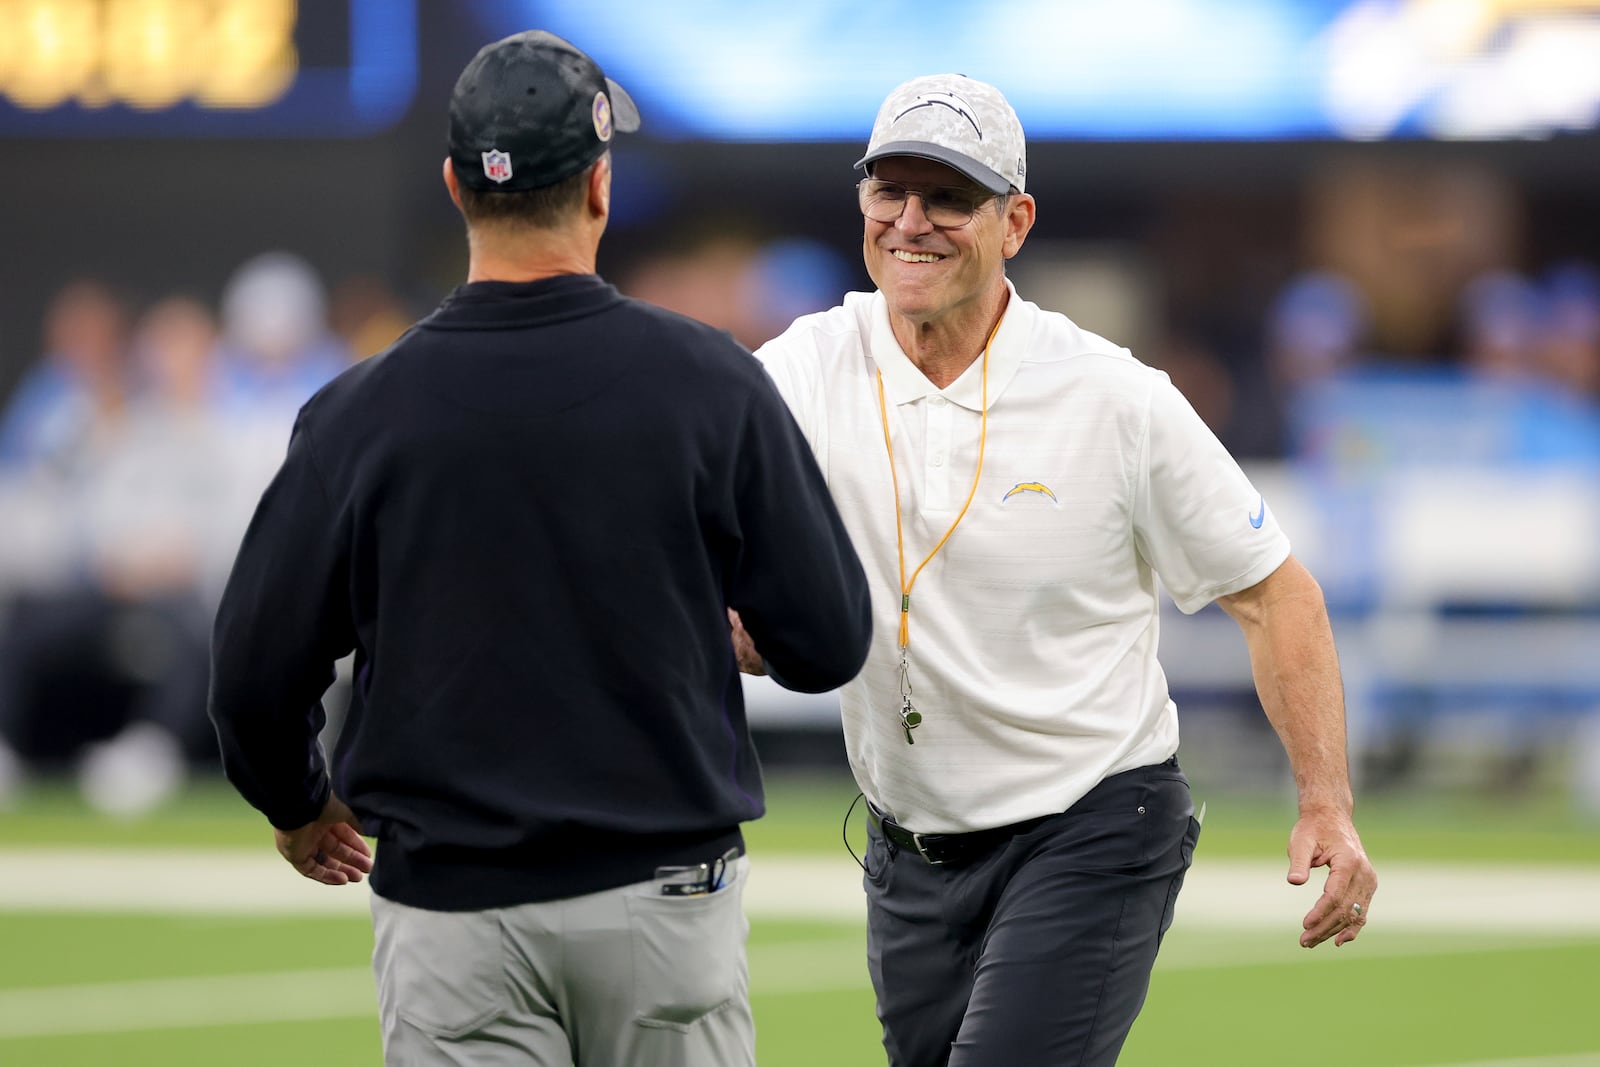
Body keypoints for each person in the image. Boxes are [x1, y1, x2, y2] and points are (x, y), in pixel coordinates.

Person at [208, 30, 871, 1067]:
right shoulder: (708, 381)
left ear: (454, 185)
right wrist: (745, 634)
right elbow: (830, 637)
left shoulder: (357, 413)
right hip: (663, 895)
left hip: (453, 907)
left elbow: (250, 674)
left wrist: (297, 802)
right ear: (600, 186)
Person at [744, 74, 1379, 1066]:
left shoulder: (1112, 395)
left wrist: (1325, 803)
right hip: (906, 842)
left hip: (1090, 822)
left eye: (947, 196)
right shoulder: (798, 370)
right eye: (888, 191)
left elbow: (1273, 592)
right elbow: (701, 559)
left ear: (1015, 220)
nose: (911, 221)